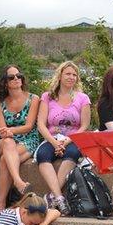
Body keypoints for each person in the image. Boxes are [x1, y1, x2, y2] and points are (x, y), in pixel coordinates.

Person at [36, 61, 91, 215]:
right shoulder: (47, 97)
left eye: (74, 75)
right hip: (52, 137)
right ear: (60, 76)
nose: (71, 77)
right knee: (42, 155)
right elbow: (41, 124)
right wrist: (54, 143)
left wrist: (68, 140)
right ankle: (59, 197)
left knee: (72, 153)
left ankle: (52, 196)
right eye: (68, 74)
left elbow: (84, 126)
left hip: (74, 138)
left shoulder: (82, 98)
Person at [0, 65, 40, 212]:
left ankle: (0, 203)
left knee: (4, 161)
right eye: (11, 77)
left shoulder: (33, 99)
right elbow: (2, 132)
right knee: (7, 142)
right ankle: (18, 181)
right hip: (7, 141)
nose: (16, 79)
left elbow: (29, 126)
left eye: (18, 76)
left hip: (28, 139)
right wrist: (9, 133)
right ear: (5, 82)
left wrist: (10, 130)